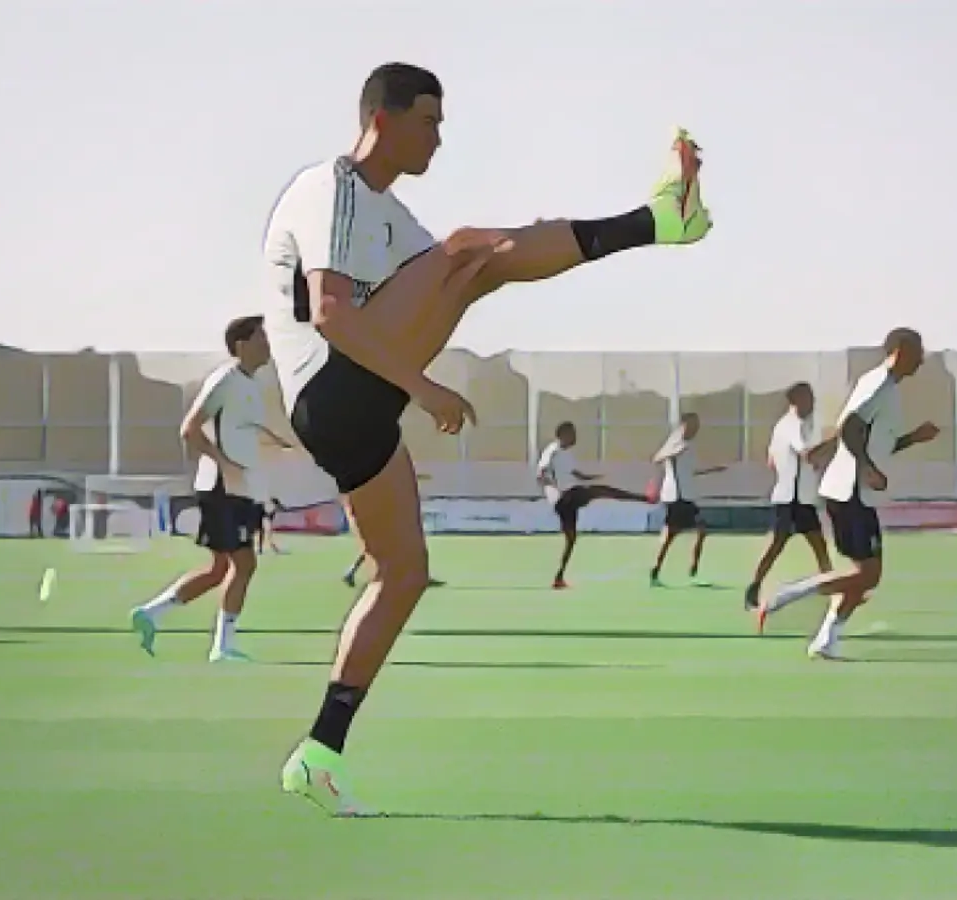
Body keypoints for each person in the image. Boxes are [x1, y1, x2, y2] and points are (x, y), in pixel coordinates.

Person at [265, 61, 710, 816]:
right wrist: (423, 385)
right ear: (384, 118)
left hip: (355, 415)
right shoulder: (331, 187)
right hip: (332, 385)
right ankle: (659, 220)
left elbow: (467, 273)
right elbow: (333, 312)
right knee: (470, 251)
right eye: (430, 121)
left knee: (402, 574)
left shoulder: (394, 221)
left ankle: (317, 751)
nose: (441, 137)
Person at [756, 329, 938, 659]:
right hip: (850, 492)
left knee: (864, 578)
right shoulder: (879, 383)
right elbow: (850, 426)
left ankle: (826, 639)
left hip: (855, 493)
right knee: (867, 576)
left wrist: (913, 438)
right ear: (898, 350)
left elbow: (874, 441)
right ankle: (791, 594)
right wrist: (866, 467)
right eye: (917, 352)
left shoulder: (887, 388)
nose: (922, 360)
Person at [129, 316, 287, 660]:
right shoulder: (226, 379)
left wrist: (271, 442)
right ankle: (222, 647)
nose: (268, 344)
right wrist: (226, 465)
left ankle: (150, 614)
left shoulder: (251, 383)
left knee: (221, 569)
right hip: (222, 489)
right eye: (262, 337)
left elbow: (240, 428)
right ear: (242, 345)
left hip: (241, 490)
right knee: (243, 565)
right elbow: (190, 429)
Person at [744, 382, 835, 625]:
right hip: (790, 498)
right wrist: (836, 442)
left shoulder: (791, 425)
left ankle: (831, 588)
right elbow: (807, 453)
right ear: (796, 400)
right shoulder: (791, 425)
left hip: (801, 497)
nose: (813, 402)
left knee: (819, 544)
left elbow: (771, 459)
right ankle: (753, 589)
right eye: (809, 398)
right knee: (776, 545)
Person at [537, 422, 649, 589]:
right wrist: (553, 487)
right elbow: (541, 472)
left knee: (571, 539)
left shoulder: (567, 454)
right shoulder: (552, 450)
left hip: (569, 499)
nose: (575, 437)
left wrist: (592, 477)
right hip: (564, 497)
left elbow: (576, 474)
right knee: (601, 491)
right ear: (562, 434)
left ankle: (558, 577)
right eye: (572, 433)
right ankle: (642, 498)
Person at [648, 413, 727, 586]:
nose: (696, 429)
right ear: (684, 425)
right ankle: (655, 568)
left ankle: (693, 567)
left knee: (701, 529)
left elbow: (690, 470)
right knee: (670, 535)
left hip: (687, 497)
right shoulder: (675, 442)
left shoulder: (691, 445)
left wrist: (713, 469)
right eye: (693, 425)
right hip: (676, 496)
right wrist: (674, 452)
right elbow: (657, 458)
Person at [341, 476, 445, 588]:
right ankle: (353, 572)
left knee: (384, 547)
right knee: (377, 547)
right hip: (385, 520)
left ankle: (419, 575)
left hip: (388, 520)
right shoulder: (385, 488)